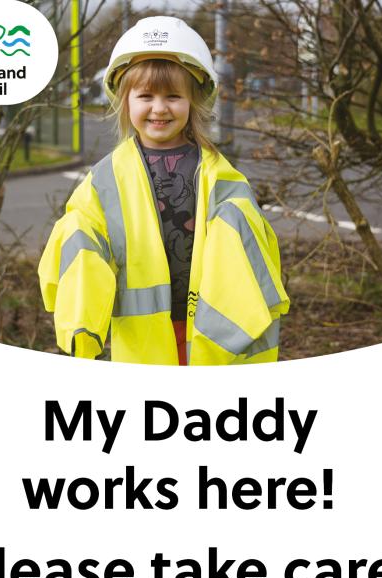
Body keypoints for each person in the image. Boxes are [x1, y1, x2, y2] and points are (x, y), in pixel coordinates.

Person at [38, 16, 289, 365]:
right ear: (125, 101)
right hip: (141, 337)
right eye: (145, 96)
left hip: (208, 330)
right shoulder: (105, 180)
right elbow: (80, 240)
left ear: (194, 101)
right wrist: (81, 323)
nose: (159, 108)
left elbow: (248, 248)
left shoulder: (218, 175)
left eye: (173, 95)